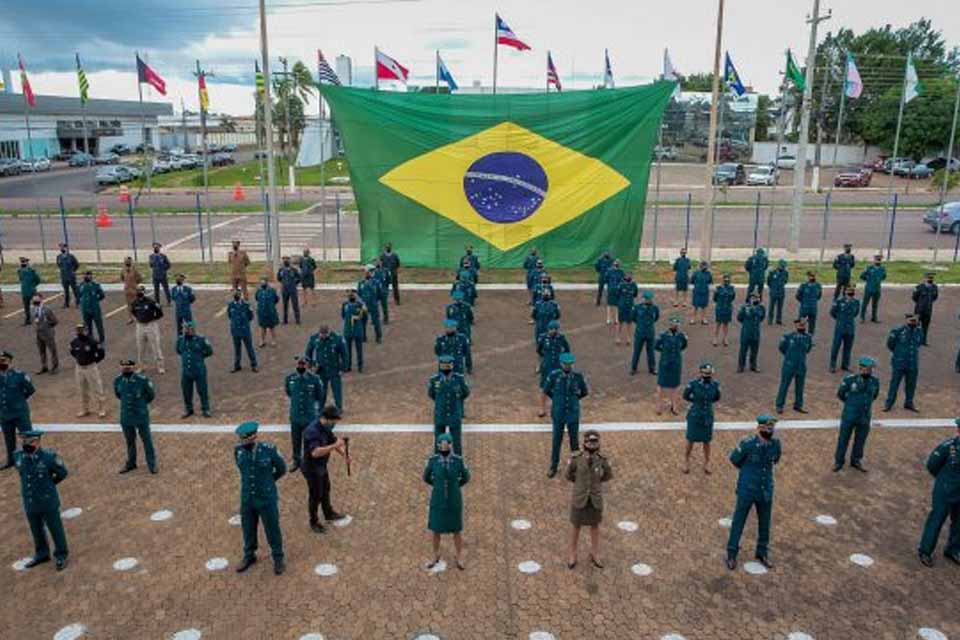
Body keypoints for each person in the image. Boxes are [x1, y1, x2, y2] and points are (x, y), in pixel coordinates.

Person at [725, 415, 781, 571]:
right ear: (759, 428)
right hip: (747, 489)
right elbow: (735, 459)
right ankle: (731, 553)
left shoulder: (775, 445)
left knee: (765, 523)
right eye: (767, 428)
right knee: (738, 521)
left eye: (771, 428)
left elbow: (775, 460)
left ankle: (762, 552)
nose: (770, 431)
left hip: (765, 489)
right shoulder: (748, 444)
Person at [233, 421, 286, 575]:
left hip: (266, 498)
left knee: (272, 529)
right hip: (247, 498)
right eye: (241, 439)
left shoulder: (269, 450)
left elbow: (281, 469)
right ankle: (249, 555)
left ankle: (278, 558)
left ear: (254, 436)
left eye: (245, 439)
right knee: (247, 528)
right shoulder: (238, 451)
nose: (243, 442)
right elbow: (241, 468)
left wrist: (269, 481)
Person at [14, 430, 69, 571]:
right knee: (36, 530)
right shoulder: (18, 457)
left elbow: (63, 473)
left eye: (30, 442)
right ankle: (42, 554)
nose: (26, 444)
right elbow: (22, 474)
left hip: (47, 501)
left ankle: (61, 555)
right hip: (30, 501)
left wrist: (50, 485)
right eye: (24, 442)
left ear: (38, 442)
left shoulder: (49, 457)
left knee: (55, 529)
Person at [566, 429, 612, 570]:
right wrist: (580, 484)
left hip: (594, 498)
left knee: (595, 526)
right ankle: (572, 553)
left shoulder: (602, 460)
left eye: (594, 442)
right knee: (576, 526)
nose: (592, 445)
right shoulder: (576, 459)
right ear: (584, 443)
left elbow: (607, 475)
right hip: (580, 498)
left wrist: (595, 485)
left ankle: (595, 552)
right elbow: (569, 475)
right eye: (589, 442)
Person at [917, 417, 960, 568]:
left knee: (959, 523)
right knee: (937, 519)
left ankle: (953, 549)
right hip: (945, 490)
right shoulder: (947, 447)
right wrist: (943, 481)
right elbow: (932, 465)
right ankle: (925, 551)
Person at [424, 432, 470, 570]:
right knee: (436, 529)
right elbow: (426, 477)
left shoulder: (458, 461)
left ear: (450, 445)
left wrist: (455, 486)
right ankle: (435, 554)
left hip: (453, 500)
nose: (444, 448)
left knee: (456, 530)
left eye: (446, 445)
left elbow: (466, 477)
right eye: (441, 445)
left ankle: (459, 556)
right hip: (437, 500)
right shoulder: (433, 461)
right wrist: (437, 485)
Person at [302, 405, 349, 534]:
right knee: (316, 495)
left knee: (326, 489)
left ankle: (328, 513)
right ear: (325, 418)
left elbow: (334, 440)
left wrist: (344, 455)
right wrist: (335, 445)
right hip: (311, 468)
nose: (334, 424)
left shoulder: (325, 427)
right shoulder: (312, 432)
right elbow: (315, 453)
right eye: (333, 421)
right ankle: (314, 521)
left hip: (321, 466)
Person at [543, 353, 588, 478]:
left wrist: (574, 400)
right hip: (558, 413)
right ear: (561, 364)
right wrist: (557, 400)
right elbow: (546, 391)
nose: (567, 366)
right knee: (557, 440)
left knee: (574, 442)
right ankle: (553, 466)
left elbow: (584, 392)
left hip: (572, 413)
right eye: (565, 364)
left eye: (570, 364)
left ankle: (576, 467)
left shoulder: (578, 377)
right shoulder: (554, 376)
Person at [833, 356, 880, 473]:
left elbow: (874, 396)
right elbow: (840, 394)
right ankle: (839, 461)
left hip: (864, 416)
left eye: (870, 369)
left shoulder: (875, 381)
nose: (868, 371)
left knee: (860, 440)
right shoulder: (849, 380)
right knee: (843, 439)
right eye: (866, 369)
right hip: (849, 415)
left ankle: (856, 460)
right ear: (860, 368)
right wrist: (850, 404)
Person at [114, 359, 157, 474]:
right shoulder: (117, 381)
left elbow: (151, 395)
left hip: (140, 416)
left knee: (147, 441)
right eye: (123, 367)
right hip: (126, 417)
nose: (126, 369)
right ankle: (131, 463)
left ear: (133, 368)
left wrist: (141, 405)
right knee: (130, 442)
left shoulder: (142, 380)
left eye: (128, 367)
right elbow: (118, 395)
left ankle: (152, 464)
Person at [285, 356, 323, 472]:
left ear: (307, 365)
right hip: (295, 416)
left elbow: (319, 396)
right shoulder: (289, 378)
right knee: (295, 440)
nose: (301, 366)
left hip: (309, 416)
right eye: (299, 364)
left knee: (310, 440)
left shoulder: (315, 379)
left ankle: (309, 462)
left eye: (303, 364)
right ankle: (296, 461)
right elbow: (289, 393)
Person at [683, 362, 721, 474]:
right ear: (700, 373)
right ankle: (686, 460)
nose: (707, 376)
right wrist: (696, 402)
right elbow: (685, 396)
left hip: (707, 415)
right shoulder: (693, 384)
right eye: (705, 373)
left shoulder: (715, 385)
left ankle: (707, 462)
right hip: (695, 415)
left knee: (707, 441)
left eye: (709, 373)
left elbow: (716, 397)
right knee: (690, 440)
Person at [428, 356, 470, 455]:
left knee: (457, 441)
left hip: (454, 415)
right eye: (443, 366)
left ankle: (458, 460)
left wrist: (457, 402)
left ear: (452, 366)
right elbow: (431, 394)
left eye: (447, 366)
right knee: (438, 440)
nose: (445, 369)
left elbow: (466, 393)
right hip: (440, 415)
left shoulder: (459, 379)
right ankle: (437, 460)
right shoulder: (434, 380)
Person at [0, 351, 35, 469]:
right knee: (9, 439)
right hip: (5, 414)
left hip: (20, 413)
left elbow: (30, 389)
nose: (1, 363)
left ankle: (31, 459)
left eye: (3, 360)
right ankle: (11, 460)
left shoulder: (20, 375)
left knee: (27, 437)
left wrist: (20, 401)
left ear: (10, 361)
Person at [883, 313, 923, 412]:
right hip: (899, 362)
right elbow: (890, 344)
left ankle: (909, 403)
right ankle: (889, 403)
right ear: (906, 320)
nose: (913, 323)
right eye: (911, 321)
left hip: (912, 362)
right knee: (894, 383)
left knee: (911, 384)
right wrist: (898, 353)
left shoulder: (919, 331)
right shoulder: (898, 331)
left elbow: (918, 344)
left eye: (915, 321)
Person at [305, 324, 348, 411]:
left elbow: (344, 354)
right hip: (321, 370)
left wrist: (343, 368)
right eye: (322, 334)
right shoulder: (314, 338)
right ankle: (320, 408)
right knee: (321, 390)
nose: (323, 336)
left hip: (334, 368)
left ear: (329, 332)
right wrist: (311, 365)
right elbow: (308, 353)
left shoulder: (337, 338)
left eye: (325, 334)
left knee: (336, 390)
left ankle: (339, 408)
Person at [775, 318, 813, 414]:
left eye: (803, 325)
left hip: (801, 365)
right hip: (789, 365)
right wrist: (789, 357)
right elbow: (782, 348)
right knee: (784, 385)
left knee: (800, 387)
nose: (802, 327)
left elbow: (808, 349)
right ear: (795, 326)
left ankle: (798, 405)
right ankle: (779, 405)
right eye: (800, 325)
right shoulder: (788, 336)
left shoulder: (808, 337)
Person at [176, 321, 213, 418]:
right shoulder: (180, 340)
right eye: (186, 329)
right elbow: (179, 351)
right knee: (186, 391)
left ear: (193, 330)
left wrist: (199, 358)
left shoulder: (201, 340)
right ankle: (189, 409)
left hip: (199, 369)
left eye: (189, 329)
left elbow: (209, 351)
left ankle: (206, 409)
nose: (187, 331)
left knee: (202, 390)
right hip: (186, 370)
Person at [69, 324, 106, 418]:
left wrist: (93, 362)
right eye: (78, 330)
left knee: (97, 388)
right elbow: (73, 352)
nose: (79, 332)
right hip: (79, 368)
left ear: (86, 330)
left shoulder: (93, 342)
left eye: (81, 330)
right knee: (81, 389)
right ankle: (84, 409)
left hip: (91, 367)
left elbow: (101, 354)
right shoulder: (74, 342)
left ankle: (101, 408)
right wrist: (79, 360)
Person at [654, 317, 688, 415]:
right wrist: (665, 352)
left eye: (676, 325)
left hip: (676, 363)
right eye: (673, 324)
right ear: (670, 325)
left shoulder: (681, 336)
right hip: (665, 362)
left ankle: (674, 406)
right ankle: (658, 406)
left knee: (675, 385)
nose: (675, 326)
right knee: (661, 384)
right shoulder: (663, 336)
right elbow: (656, 346)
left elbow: (684, 346)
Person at [537, 320, 570, 417]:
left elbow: (567, 350)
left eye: (556, 329)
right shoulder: (543, 338)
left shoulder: (561, 338)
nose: (554, 331)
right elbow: (539, 351)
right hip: (547, 366)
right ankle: (542, 409)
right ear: (548, 329)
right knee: (544, 388)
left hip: (558, 366)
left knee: (559, 388)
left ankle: (556, 408)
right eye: (552, 329)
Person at [132, 285, 165, 374]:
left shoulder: (151, 302)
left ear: (144, 291)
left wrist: (153, 318)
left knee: (155, 346)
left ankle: (160, 366)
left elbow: (160, 313)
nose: (139, 292)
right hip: (140, 326)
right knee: (140, 347)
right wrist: (139, 319)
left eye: (140, 291)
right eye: (137, 290)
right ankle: (141, 367)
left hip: (151, 325)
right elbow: (134, 312)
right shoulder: (135, 303)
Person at [829, 285, 861, 373]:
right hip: (840, 327)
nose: (851, 291)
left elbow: (855, 313)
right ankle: (832, 365)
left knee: (848, 348)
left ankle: (845, 365)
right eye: (849, 289)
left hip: (850, 328)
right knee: (836, 346)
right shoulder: (839, 301)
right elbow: (832, 313)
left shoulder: (856, 302)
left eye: (852, 290)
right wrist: (840, 319)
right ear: (845, 291)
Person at [227, 289, 258, 373]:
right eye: (235, 294)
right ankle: (237, 365)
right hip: (235, 331)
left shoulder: (246, 305)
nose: (236, 295)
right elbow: (230, 316)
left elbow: (251, 317)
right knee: (237, 349)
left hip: (245, 330)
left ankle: (254, 364)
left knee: (249, 348)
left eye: (238, 294)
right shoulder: (231, 305)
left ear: (240, 295)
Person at [630, 291, 659, 376]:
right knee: (636, 351)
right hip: (640, 332)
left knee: (651, 352)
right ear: (644, 299)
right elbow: (633, 318)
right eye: (646, 298)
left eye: (649, 299)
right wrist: (640, 325)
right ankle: (633, 368)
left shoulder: (655, 308)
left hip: (650, 332)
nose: (648, 300)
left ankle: (652, 368)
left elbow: (656, 318)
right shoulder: (637, 307)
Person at [737, 293, 765, 373]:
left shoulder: (761, 308)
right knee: (743, 350)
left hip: (755, 331)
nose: (755, 299)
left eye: (757, 297)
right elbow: (739, 318)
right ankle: (741, 366)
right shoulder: (744, 307)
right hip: (746, 331)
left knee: (754, 350)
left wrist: (754, 309)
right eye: (753, 297)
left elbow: (762, 317)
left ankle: (753, 365)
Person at [32, 294, 59, 375]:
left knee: (52, 351)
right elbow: (33, 320)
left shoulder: (47, 309)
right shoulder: (33, 310)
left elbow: (55, 321)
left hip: (48, 333)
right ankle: (44, 367)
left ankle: (55, 367)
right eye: (34, 300)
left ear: (41, 299)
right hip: (38, 334)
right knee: (41, 351)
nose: (35, 302)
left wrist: (47, 325)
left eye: (36, 300)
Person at [341, 290, 367, 373]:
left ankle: (355, 366)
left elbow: (343, 316)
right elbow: (343, 315)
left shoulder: (358, 305)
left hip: (353, 330)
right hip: (351, 330)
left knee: (356, 349)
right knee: (351, 350)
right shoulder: (347, 304)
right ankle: (352, 366)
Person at [78, 271, 106, 344]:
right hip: (85, 309)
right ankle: (90, 339)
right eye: (86, 275)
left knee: (99, 324)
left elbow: (102, 295)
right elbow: (79, 295)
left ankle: (101, 339)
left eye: (89, 275)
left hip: (94, 308)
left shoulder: (95, 285)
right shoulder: (81, 285)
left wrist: (96, 300)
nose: (87, 276)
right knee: (87, 325)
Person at [358, 266, 383, 343]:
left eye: (368, 272)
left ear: (371, 273)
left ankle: (378, 337)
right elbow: (359, 293)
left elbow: (379, 294)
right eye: (365, 272)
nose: (367, 274)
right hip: (364, 305)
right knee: (362, 321)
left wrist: (374, 300)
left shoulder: (376, 282)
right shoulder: (361, 283)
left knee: (376, 321)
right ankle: (363, 337)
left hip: (373, 304)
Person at [912, 272, 939, 346]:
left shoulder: (934, 287)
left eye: (932, 278)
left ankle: (923, 341)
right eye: (929, 278)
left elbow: (935, 297)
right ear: (925, 278)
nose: (930, 279)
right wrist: (920, 303)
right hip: (919, 310)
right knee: (915, 325)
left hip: (928, 310)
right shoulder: (919, 287)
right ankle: (914, 340)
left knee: (925, 327)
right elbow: (914, 297)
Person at [859, 254, 886, 323]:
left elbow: (883, 277)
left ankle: (874, 317)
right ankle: (862, 317)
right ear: (874, 260)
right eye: (877, 260)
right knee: (865, 303)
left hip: (877, 289)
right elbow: (862, 276)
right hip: (869, 288)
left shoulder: (882, 268)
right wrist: (868, 280)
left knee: (875, 304)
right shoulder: (869, 268)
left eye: (879, 260)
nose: (878, 261)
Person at [255, 276, 280, 347]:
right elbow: (257, 298)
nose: (262, 283)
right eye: (261, 282)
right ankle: (262, 340)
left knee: (272, 327)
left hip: (270, 311)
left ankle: (274, 340)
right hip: (262, 312)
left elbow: (276, 299)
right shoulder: (259, 291)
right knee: (262, 327)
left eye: (264, 281)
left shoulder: (272, 291)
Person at [795, 271, 822, 335]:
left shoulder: (816, 285)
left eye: (812, 276)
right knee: (805, 324)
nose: (812, 277)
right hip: (808, 307)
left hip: (810, 307)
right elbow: (798, 296)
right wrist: (804, 301)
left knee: (809, 324)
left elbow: (819, 296)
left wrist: (805, 301)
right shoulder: (805, 285)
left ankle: (807, 338)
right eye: (811, 276)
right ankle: (804, 338)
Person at [277, 256, 302, 326]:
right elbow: (278, 278)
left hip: (292, 289)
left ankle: (297, 320)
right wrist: (282, 281)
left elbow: (299, 278)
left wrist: (294, 283)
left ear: (289, 261)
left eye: (287, 259)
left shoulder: (294, 270)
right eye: (284, 259)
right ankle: (285, 320)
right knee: (285, 305)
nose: (285, 261)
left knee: (295, 305)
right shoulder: (281, 270)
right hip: (284, 289)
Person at [712, 274, 735, 346]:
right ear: (722, 280)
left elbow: (732, 298)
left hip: (728, 308)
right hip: (720, 308)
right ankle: (715, 338)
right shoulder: (718, 288)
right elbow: (715, 299)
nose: (726, 281)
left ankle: (725, 338)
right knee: (718, 324)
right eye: (725, 280)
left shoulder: (732, 288)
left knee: (726, 324)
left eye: (728, 280)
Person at [616, 273, 639, 345]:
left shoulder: (634, 285)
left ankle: (628, 338)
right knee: (620, 322)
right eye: (627, 275)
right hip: (622, 306)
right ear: (625, 277)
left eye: (630, 275)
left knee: (629, 322)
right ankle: (618, 337)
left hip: (630, 306)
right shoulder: (621, 285)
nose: (628, 277)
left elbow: (635, 294)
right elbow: (617, 294)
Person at [17, 257, 41, 326]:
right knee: (26, 307)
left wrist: (33, 286)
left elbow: (38, 280)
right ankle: (27, 320)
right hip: (24, 291)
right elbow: (21, 279)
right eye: (22, 262)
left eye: (24, 262)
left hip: (32, 291)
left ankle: (38, 319)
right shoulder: (19, 271)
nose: (23, 263)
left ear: (27, 263)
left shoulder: (32, 271)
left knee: (36, 305)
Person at [56, 243, 80, 308]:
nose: (61, 249)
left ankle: (78, 303)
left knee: (75, 290)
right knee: (66, 291)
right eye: (60, 247)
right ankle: (66, 303)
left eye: (63, 247)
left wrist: (72, 271)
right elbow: (59, 265)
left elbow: (77, 265)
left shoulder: (71, 257)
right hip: (64, 276)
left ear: (66, 248)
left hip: (71, 276)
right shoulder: (59, 257)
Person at [766, 259, 789, 326]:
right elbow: (768, 282)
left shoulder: (785, 273)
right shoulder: (772, 272)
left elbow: (785, 281)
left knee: (780, 308)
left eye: (783, 266)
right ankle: (770, 320)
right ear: (778, 265)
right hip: (773, 292)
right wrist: (773, 288)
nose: (782, 267)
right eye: (782, 266)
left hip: (781, 292)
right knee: (771, 307)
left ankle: (778, 320)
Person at [121, 256, 142, 325]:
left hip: (134, 289)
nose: (127, 262)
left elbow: (139, 278)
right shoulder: (123, 270)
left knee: (136, 304)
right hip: (127, 290)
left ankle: (137, 317)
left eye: (128, 261)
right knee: (129, 305)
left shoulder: (134, 270)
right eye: (126, 261)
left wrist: (135, 284)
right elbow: (122, 278)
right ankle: (130, 318)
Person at [690, 261, 713, 325]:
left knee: (704, 306)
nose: (704, 267)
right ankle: (693, 319)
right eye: (702, 266)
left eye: (705, 266)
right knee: (695, 306)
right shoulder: (696, 273)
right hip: (697, 292)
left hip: (705, 292)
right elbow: (692, 281)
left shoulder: (709, 274)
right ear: (700, 266)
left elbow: (710, 281)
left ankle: (703, 319)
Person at [604, 259, 625, 326]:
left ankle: (616, 319)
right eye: (616, 263)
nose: (617, 264)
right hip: (611, 290)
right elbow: (606, 280)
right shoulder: (609, 271)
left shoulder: (621, 272)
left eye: (618, 263)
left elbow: (622, 281)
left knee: (616, 305)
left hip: (617, 290)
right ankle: (608, 319)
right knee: (609, 305)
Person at [373, 258, 391, 324]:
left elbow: (389, 280)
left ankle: (386, 319)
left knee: (384, 305)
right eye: (375, 262)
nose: (377, 263)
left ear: (381, 262)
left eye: (378, 262)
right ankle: (375, 319)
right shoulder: (372, 271)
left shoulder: (386, 270)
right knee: (374, 305)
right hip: (375, 291)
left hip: (383, 290)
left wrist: (385, 288)